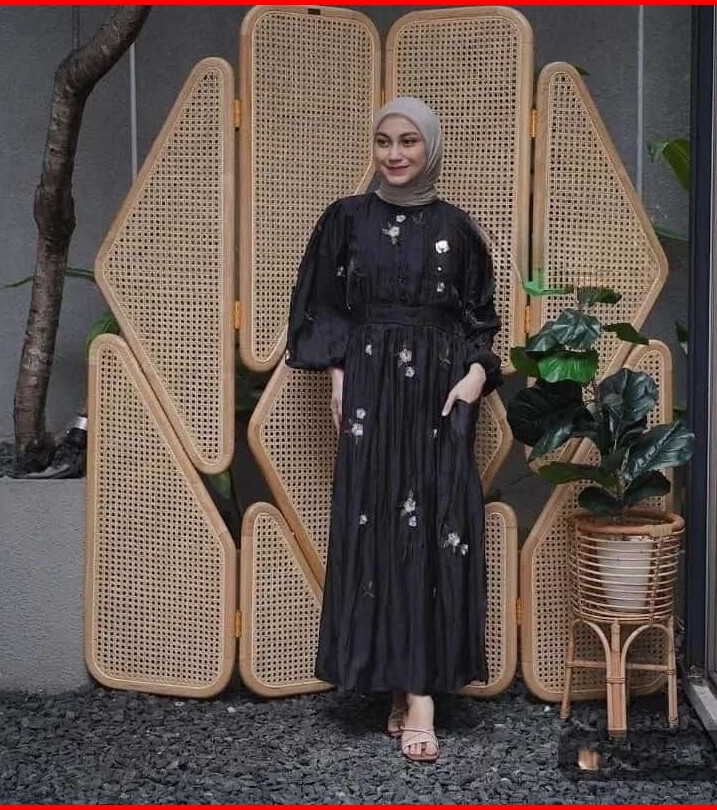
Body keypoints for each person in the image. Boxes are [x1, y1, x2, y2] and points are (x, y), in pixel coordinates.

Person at [285, 97, 502, 763]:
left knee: (434, 530)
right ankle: (396, 681)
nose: (395, 153)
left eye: (409, 140)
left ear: (429, 147)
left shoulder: (458, 230)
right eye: (384, 141)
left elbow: (481, 322)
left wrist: (475, 377)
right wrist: (338, 375)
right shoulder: (346, 220)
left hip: (439, 397)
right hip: (371, 394)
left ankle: (422, 695)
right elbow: (325, 306)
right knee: (376, 527)